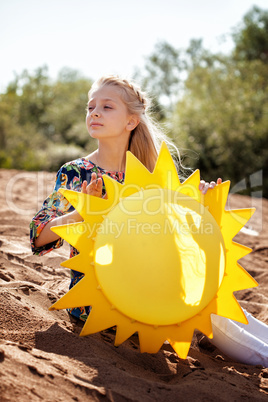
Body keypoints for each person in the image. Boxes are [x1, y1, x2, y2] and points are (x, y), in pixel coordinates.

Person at [30, 75, 268, 366]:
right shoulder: (76, 173)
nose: (94, 112)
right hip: (99, 305)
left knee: (214, 300)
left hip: (149, 291)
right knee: (209, 307)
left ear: (131, 121)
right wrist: (81, 213)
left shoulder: (150, 172)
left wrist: (202, 206)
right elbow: (38, 237)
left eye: (107, 107)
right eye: (90, 106)